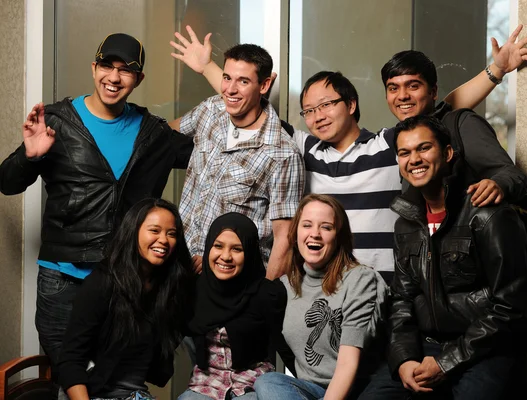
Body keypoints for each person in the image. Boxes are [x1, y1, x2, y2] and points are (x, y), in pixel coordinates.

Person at [169, 25, 527, 282]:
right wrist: (208, 69)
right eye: (309, 110)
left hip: (389, 285)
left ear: (351, 104)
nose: (318, 116)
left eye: (327, 104)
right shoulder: (302, 147)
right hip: (329, 289)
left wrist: (497, 70)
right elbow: (247, 100)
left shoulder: (389, 145)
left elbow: (441, 109)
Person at [0, 33, 193, 395]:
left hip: (124, 283)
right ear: (94, 67)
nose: (114, 77)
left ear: (139, 80)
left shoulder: (154, 134)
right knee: (71, 380)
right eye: (107, 65)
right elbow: (7, 183)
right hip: (64, 281)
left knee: (114, 383)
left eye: (126, 70)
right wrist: (31, 155)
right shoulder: (58, 120)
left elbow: (215, 152)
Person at [386, 116, 527, 398]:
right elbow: (402, 301)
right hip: (427, 345)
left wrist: (446, 362)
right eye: (404, 153)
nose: (414, 159)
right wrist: (404, 358)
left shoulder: (489, 213)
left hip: (487, 347)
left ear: (447, 153)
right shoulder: (406, 224)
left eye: (423, 148)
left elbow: (511, 307)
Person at [169, 28, 305, 280]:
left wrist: (265, 300)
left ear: (264, 85)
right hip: (180, 269)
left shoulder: (282, 154)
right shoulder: (211, 110)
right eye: (226, 78)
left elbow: (284, 238)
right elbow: (160, 137)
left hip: (236, 281)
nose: (230, 89)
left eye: (243, 81)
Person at [252, 194, 388, 399]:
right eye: (307, 225)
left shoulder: (360, 279)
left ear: (339, 236)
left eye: (326, 227)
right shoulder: (285, 287)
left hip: (356, 391)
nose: (314, 234)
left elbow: (347, 363)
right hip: (310, 391)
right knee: (268, 382)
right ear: (296, 233)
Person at [58, 198, 195, 400]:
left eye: (171, 233)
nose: (164, 240)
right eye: (154, 230)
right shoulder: (102, 283)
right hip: (88, 393)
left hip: (135, 395)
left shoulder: (170, 289)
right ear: (133, 232)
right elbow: (70, 360)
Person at [381, 31, 527, 205]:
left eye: (413, 86)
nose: (402, 96)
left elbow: (512, 175)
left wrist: (497, 184)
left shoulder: (461, 124)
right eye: (393, 89)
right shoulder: (396, 139)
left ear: (434, 92)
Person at [178, 212, 287, 400]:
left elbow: (287, 346)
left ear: (250, 252)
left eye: (237, 249)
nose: (225, 256)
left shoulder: (266, 293)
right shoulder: (193, 290)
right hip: (205, 384)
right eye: (218, 246)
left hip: (252, 384)